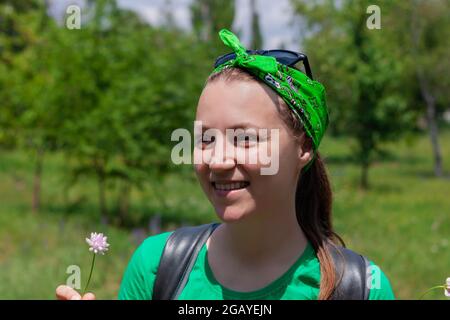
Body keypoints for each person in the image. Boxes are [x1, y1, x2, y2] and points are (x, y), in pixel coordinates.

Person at [56, 29, 395, 300]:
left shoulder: (361, 289)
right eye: (204, 139)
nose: (217, 161)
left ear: (303, 146)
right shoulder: (157, 268)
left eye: (244, 138)